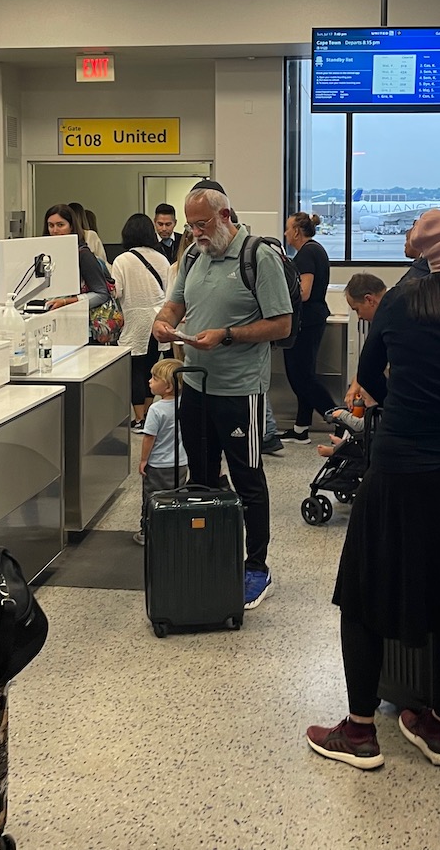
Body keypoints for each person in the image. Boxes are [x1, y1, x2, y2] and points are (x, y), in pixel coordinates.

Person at [305, 209, 440, 771]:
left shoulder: (397, 303)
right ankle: (439, 728)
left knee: (365, 596)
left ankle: (358, 730)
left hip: (397, 473)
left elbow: (370, 382)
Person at [153, 186, 292, 610]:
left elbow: (282, 324)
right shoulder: (194, 256)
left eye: (202, 224)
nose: (194, 233)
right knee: (201, 477)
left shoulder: (258, 256)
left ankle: (256, 566)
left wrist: (228, 335)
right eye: (189, 225)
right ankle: (210, 550)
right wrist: (163, 321)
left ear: (226, 215)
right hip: (196, 386)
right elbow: (175, 305)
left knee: (248, 479)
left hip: (240, 392)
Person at [279, 213, 338, 442]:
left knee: (301, 377)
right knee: (303, 376)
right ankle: (301, 427)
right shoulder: (314, 250)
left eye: (287, 229)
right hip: (312, 319)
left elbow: (304, 293)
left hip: (306, 322)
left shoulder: (306, 253)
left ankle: (339, 419)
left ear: (296, 231)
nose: (285, 234)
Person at [111, 213, 172, 425]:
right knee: (151, 369)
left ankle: (137, 417)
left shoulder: (122, 260)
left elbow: (116, 292)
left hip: (134, 320)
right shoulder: (162, 258)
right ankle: (146, 414)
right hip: (158, 319)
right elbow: (169, 291)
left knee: (135, 370)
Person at [133, 358, 188, 547]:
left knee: (152, 497)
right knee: (176, 495)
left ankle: (148, 530)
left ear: (167, 387)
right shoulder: (185, 405)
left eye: (154, 378)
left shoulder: (156, 410)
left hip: (157, 464)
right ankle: (174, 528)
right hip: (180, 462)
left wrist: (142, 460)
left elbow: (149, 438)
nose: (149, 381)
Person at [340, 273, 387, 408]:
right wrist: (357, 382)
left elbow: (368, 372)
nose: (359, 316)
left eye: (357, 309)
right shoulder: (392, 308)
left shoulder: (388, 320)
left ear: (369, 300)